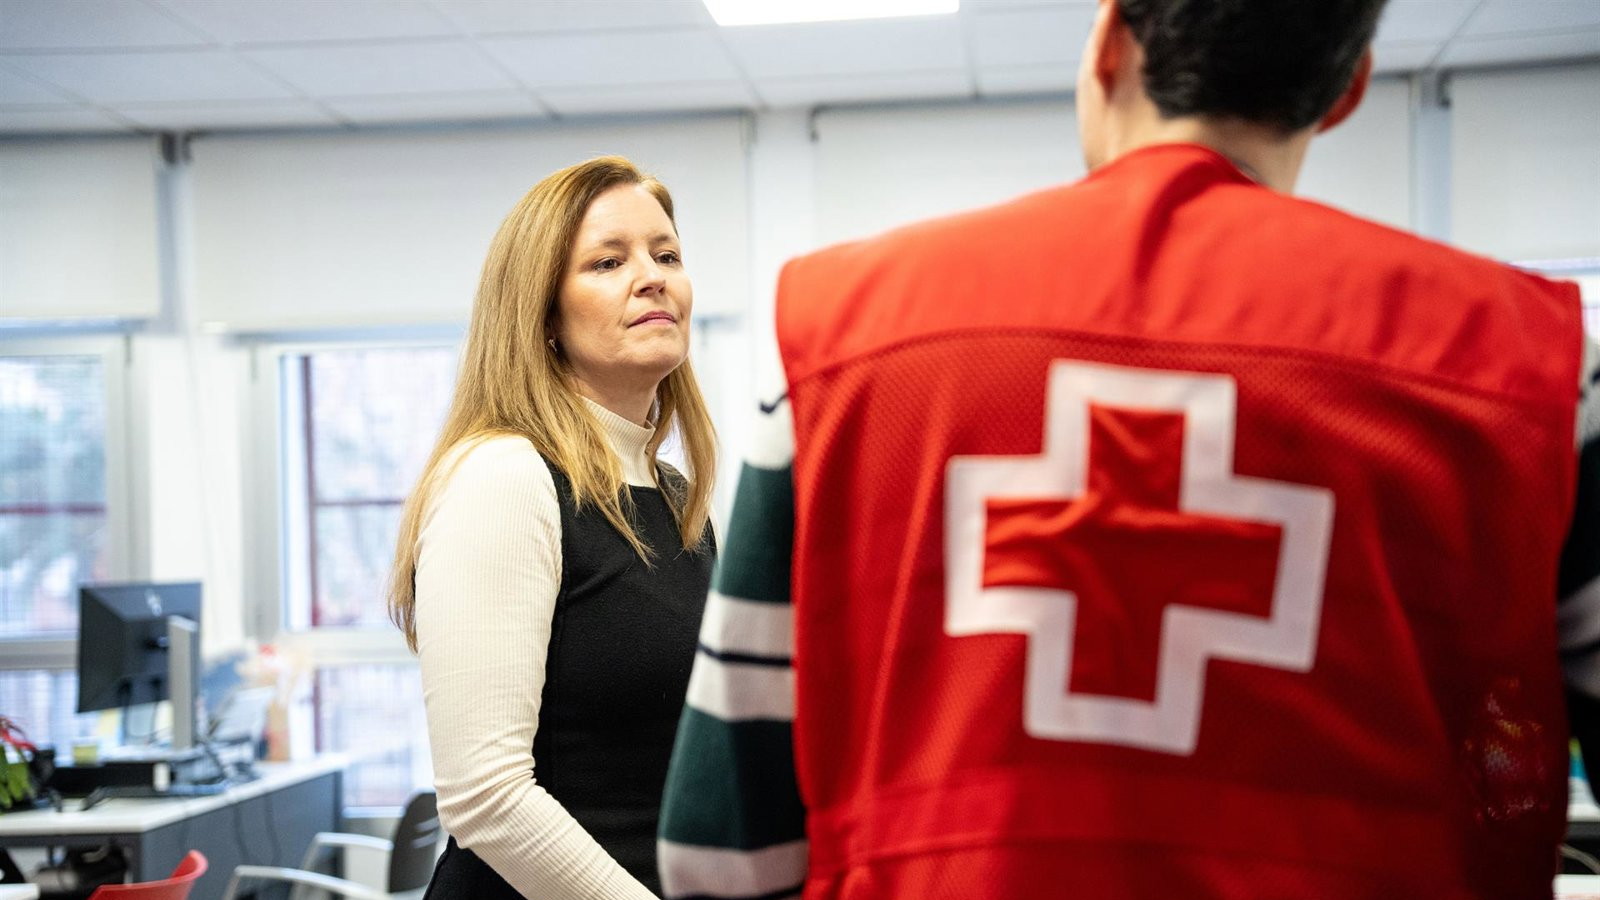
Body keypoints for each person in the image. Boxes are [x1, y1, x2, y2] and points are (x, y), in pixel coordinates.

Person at [658, 1, 1600, 898]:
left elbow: (718, 852)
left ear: (1109, 40)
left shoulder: (842, 349)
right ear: (1348, 86)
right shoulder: (1536, 373)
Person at [388, 155, 717, 900]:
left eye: (666, 254)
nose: (653, 275)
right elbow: (487, 798)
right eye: (608, 260)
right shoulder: (503, 478)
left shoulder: (674, 495)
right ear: (541, 315)